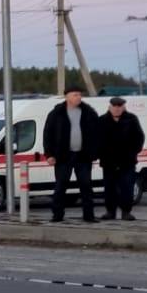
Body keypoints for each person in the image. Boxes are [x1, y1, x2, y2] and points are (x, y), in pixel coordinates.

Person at [43, 88, 101, 223]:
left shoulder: (88, 112)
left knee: (86, 185)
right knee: (61, 185)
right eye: (75, 95)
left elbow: (97, 134)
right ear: (67, 96)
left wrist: (94, 152)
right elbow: (48, 135)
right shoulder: (56, 113)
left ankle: (89, 215)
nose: (78, 97)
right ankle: (57, 215)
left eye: (80, 95)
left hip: (83, 156)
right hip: (63, 156)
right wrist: (49, 154)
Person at [96, 96, 145, 221]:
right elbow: (96, 140)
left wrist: (133, 152)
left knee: (127, 188)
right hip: (108, 162)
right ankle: (110, 212)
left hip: (127, 161)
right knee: (109, 188)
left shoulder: (131, 119)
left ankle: (126, 212)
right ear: (110, 107)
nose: (117, 109)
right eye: (115, 106)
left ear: (124, 107)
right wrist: (100, 154)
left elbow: (139, 138)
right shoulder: (102, 120)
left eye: (120, 106)